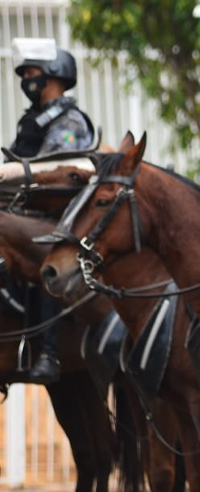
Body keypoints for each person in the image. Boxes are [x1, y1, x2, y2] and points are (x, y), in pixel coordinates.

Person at [6, 38, 96, 384]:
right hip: (24, 210)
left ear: (53, 75)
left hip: (55, 217)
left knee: (40, 257)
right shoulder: (33, 120)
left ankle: (49, 351)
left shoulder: (68, 120)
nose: (26, 79)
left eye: (31, 72)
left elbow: (55, 170)